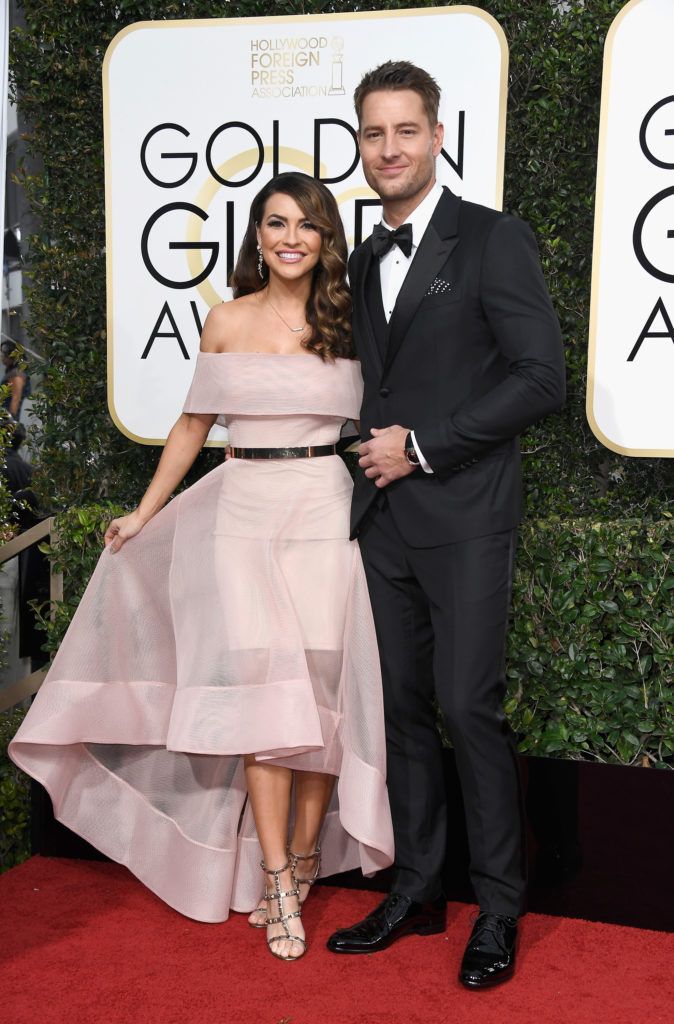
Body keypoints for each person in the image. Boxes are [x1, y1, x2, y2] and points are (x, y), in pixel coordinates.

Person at [10, 172, 393, 960]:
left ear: (326, 239)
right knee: (261, 698)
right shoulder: (223, 320)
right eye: (276, 222)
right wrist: (146, 512)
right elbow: (192, 425)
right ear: (256, 235)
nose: (291, 237)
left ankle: (311, 854)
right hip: (243, 510)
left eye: (307, 225)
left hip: (324, 507)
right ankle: (277, 877)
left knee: (320, 700)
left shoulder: (353, 321)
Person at [326, 62, 565, 988]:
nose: (389, 149)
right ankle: (420, 889)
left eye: (406, 131)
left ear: (436, 137)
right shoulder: (359, 254)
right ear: (361, 144)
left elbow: (540, 378)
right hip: (379, 522)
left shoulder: (492, 239)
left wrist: (421, 447)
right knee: (402, 715)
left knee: (469, 708)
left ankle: (498, 909)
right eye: (373, 134)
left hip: (463, 516)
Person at [1, 340, 30, 420]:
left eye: (5, 355)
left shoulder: (17, 374)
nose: (2, 358)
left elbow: (16, 398)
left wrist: (10, 421)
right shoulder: (13, 372)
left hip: (11, 420)